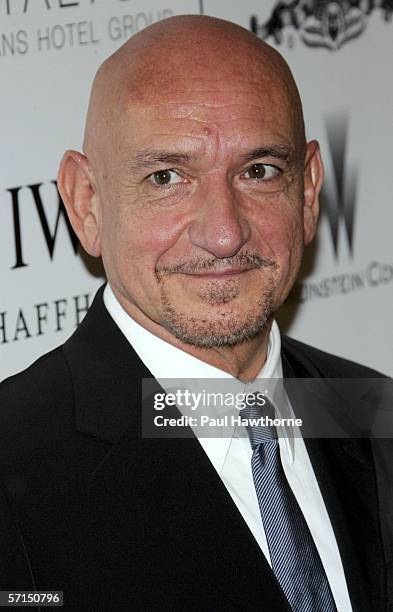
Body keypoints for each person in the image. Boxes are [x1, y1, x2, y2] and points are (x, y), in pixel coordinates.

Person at [0, 14, 391, 611]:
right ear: (87, 204)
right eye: (167, 177)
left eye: (259, 172)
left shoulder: (375, 412)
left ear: (308, 193)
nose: (225, 234)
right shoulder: (12, 470)